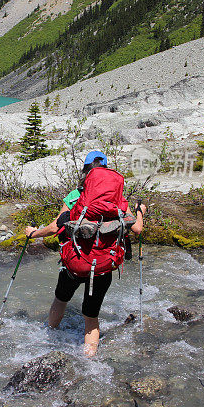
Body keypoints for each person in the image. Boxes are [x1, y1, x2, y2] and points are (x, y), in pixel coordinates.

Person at [25, 151, 146, 357]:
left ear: (85, 171)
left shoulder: (75, 196)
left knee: (60, 301)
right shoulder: (117, 200)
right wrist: (140, 210)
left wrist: (33, 233)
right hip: (102, 267)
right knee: (91, 318)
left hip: (75, 264)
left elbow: (56, 227)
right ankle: (89, 364)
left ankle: (49, 339)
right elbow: (137, 230)